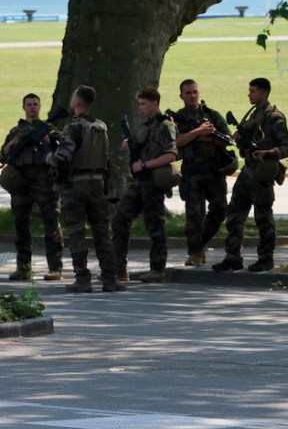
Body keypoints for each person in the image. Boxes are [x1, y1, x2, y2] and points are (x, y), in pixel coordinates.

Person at [46, 85, 125, 293]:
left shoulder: (73, 127)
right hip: (97, 183)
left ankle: (82, 278)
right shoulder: (101, 126)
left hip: (77, 184)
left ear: (77, 103)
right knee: (102, 232)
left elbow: (63, 156)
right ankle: (110, 278)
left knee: (76, 232)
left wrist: (50, 156)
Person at [212, 77, 288, 273]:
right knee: (234, 213)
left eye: (253, 91)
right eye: (250, 91)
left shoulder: (275, 117)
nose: (250, 94)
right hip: (248, 170)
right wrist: (239, 140)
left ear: (264, 94)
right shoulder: (254, 114)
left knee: (263, 217)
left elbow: (287, 147)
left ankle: (266, 258)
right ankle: (233, 256)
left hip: (262, 172)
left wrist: (268, 153)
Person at [112, 87, 179, 283]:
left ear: (155, 103)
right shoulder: (147, 125)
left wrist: (144, 164)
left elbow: (171, 154)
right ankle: (118, 268)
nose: (140, 108)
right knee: (120, 218)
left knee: (155, 225)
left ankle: (157, 269)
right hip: (139, 182)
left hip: (153, 181)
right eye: (139, 104)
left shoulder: (165, 125)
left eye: (143, 104)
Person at [0, 93, 65, 282]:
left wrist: (47, 141)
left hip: (44, 182)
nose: (32, 107)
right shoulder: (15, 132)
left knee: (51, 225)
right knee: (21, 226)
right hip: (21, 183)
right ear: (23, 107)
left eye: (35, 104)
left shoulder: (50, 130)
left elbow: (61, 153)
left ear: (40, 107)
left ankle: (55, 268)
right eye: (29, 104)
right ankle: (23, 267)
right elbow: (2, 156)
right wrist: (12, 144)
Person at [173, 79, 233, 267]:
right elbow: (175, 142)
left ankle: (201, 243)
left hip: (213, 169)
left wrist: (211, 139)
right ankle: (195, 252)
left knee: (219, 209)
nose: (192, 96)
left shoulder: (212, 115)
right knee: (193, 215)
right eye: (188, 93)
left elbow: (229, 139)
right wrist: (198, 133)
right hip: (191, 170)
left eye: (194, 92)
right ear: (181, 96)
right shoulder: (177, 118)